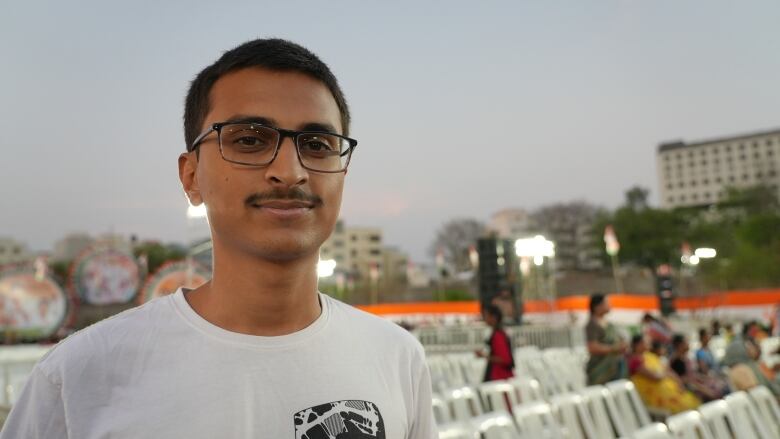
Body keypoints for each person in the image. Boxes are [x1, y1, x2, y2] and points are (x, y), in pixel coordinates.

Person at [2, 39, 437, 438]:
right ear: (191, 176)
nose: (290, 171)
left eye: (318, 145)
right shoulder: (79, 377)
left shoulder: (396, 358)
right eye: (250, 140)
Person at [628, 335, 701, 414]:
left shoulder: (650, 355)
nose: (649, 344)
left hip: (669, 390)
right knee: (685, 407)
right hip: (655, 396)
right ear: (638, 344)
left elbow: (668, 370)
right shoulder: (635, 361)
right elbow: (655, 377)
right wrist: (665, 373)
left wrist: (678, 382)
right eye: (646, 342)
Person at [585, 293, 627, 385]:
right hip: (601, 367)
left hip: (614, 365)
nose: (609, 305)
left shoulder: (608, 324)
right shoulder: (593, 325)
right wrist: (614, 348)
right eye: (606, 303)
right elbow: (592, 347)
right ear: (597, 306)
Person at [669, 334, 727, 402]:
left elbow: (693, 375)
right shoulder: (676, 361)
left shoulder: (686, 358)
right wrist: (707, 391)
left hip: (698, 385)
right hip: (692, 391)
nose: (688, 344)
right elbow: (688, 381)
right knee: (717, 391)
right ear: (679, 345)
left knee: (721, 385)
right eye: (686, 342)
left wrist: (708, 378)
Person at [476, 304, 515, 381]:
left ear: (493, 317)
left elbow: (505, 359)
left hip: (500, 378)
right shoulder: (499, 333)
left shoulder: (498, 335)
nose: (484, 318)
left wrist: (484, 356)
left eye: (486, 315)